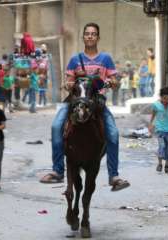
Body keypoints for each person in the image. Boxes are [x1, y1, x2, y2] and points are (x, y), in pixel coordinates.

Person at [39, 22, 130, 191]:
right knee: (56, 126)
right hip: (75, 102)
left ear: (98, 37)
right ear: (83, 37)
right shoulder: (75, 60)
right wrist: (68, 84)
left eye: (93, 34)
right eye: (87, 33)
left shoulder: (106, 59)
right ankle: (58, 170)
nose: (90, 36)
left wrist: (111, 82)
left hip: (97, 103)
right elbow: (68, 81)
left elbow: (116, 82)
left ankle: (114, 176)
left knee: (114, 133)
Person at [148, 87, 168, 174]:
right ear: (161, 97)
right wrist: (150, 124)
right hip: (160, 129)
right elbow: (153, 115)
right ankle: (159, 164)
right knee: (162, 146)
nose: (167, 100)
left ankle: (167, 165)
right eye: (165, 98)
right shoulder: (156, 105)